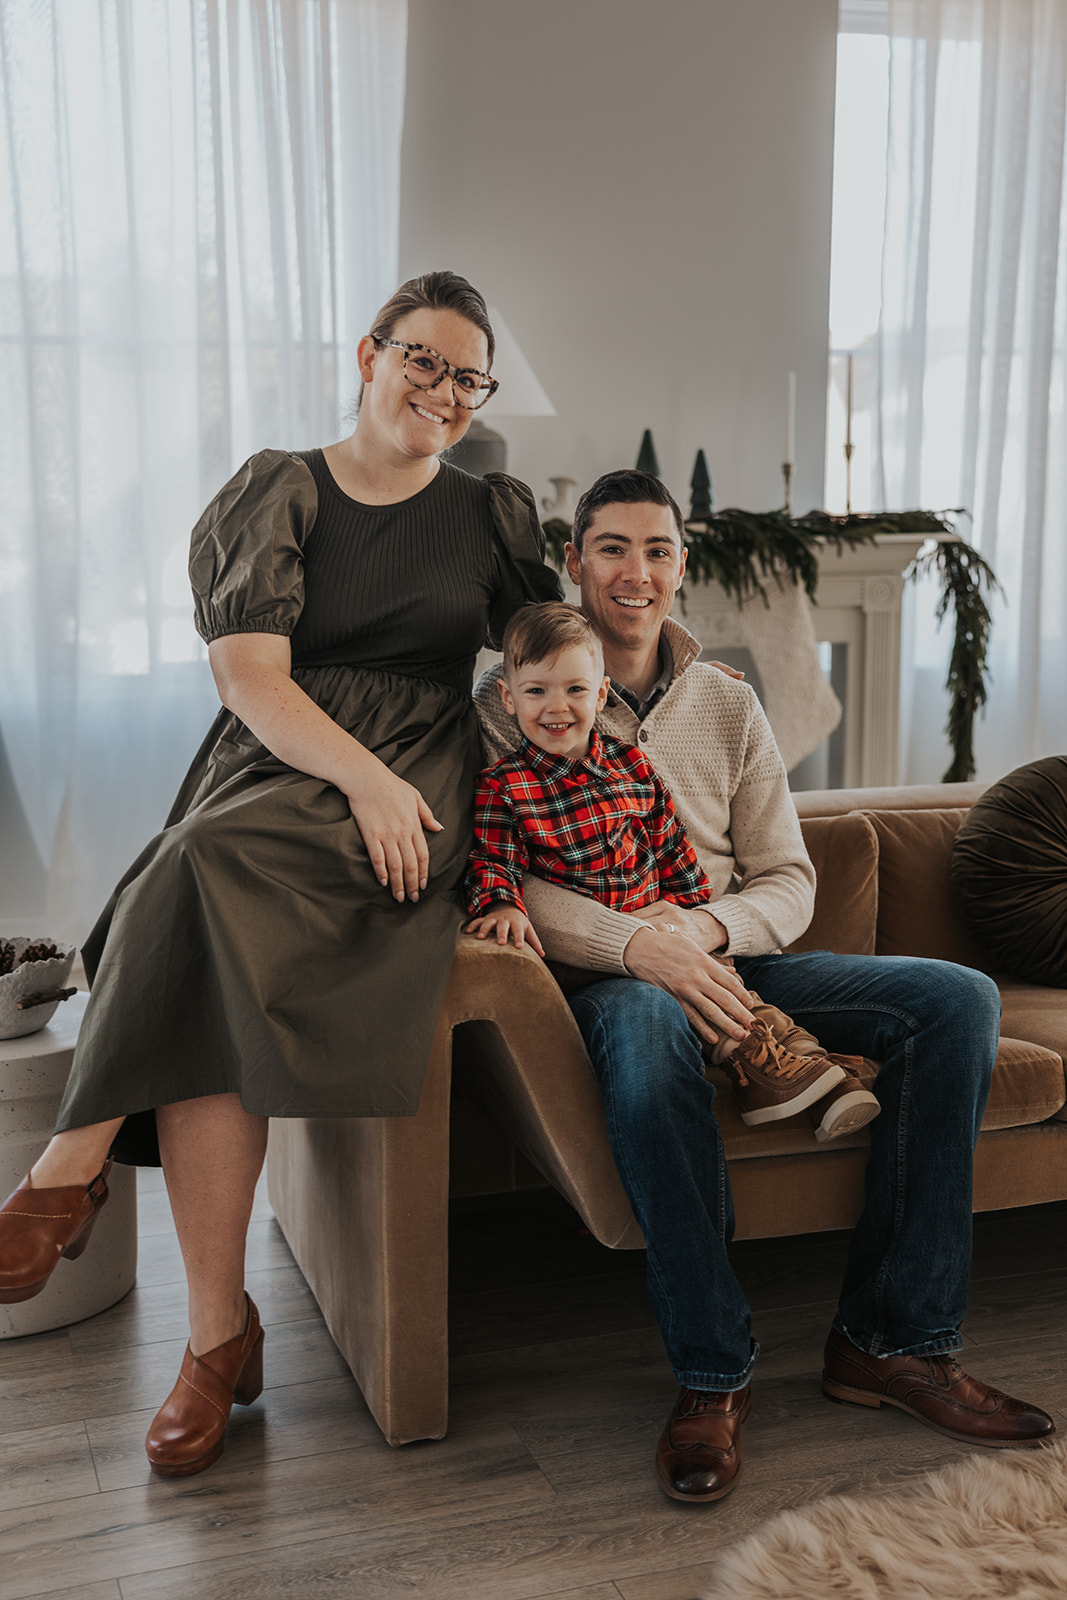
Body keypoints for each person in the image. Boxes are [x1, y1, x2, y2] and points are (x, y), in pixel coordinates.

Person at [0, 270, 561, 1477]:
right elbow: (252, 676)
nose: (444, 392)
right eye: (423, 360)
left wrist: (654, 641)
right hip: (287, 763)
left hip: (417, 792)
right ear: (366, 353)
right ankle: (216, 1334)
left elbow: (544, 662)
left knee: (190, 868)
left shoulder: (490, 512)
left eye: (469, 375)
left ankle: (68, 1174)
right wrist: (355, 776)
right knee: (203, 890)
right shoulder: (280, 486)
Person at [474, 468, 1056, 1504]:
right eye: (610, 547)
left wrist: (698, 927)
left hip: (731, 948)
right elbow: (494, 874)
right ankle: (710, 1374)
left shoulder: (727, 702)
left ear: (681, 566)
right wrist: (634, 947)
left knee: (957, 999)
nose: (634, 571)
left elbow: (787, 878)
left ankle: (891, 1343)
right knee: (653, 1044)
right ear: (574, 559)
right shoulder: (512, 698)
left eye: (656, 550)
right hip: (609, 982)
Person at [465, 600, 872, 1134]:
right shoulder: (505, 785)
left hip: (670, 927)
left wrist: (693, 917)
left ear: (601, 693)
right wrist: (499, 903)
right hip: (589, 961)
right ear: (508, 698)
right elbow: (493, 857)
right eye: (536, 691)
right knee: (687, 1000)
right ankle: (779, 1070)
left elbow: (668, 843)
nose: (555, 707)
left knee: (720, 984)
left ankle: (799, 1065)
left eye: (575, 690)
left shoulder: (633, 765)